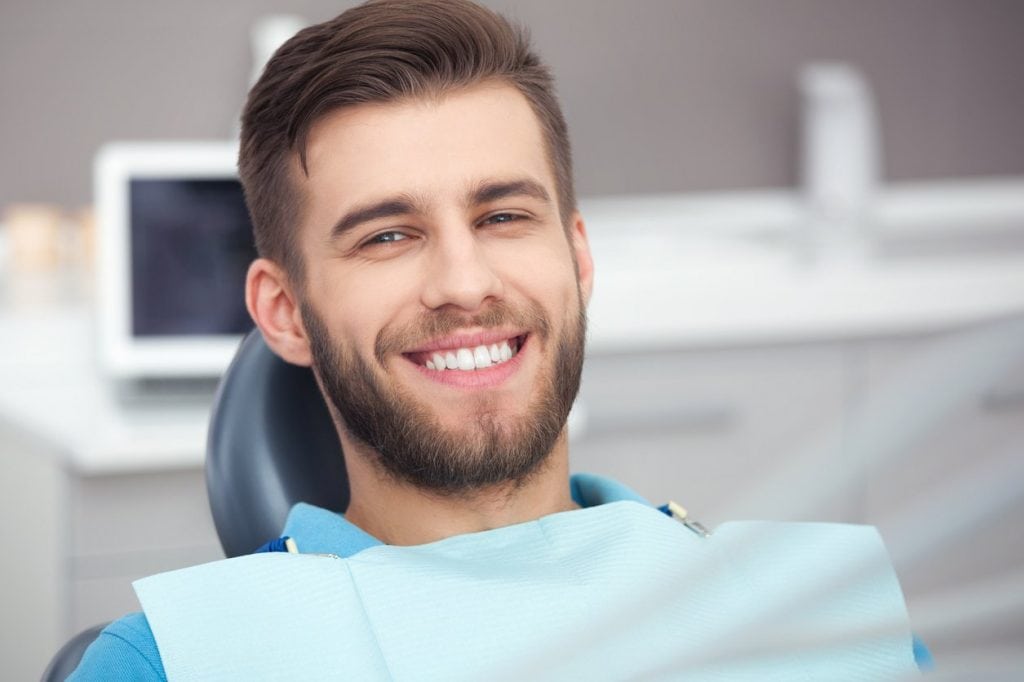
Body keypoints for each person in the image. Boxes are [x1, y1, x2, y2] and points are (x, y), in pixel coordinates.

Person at [70, 1, 925, 678]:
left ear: (578, 255)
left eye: (504, 216)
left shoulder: (821, 618)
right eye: (387, 236)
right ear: (285, 311)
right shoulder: (176, 663)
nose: (465, 283)